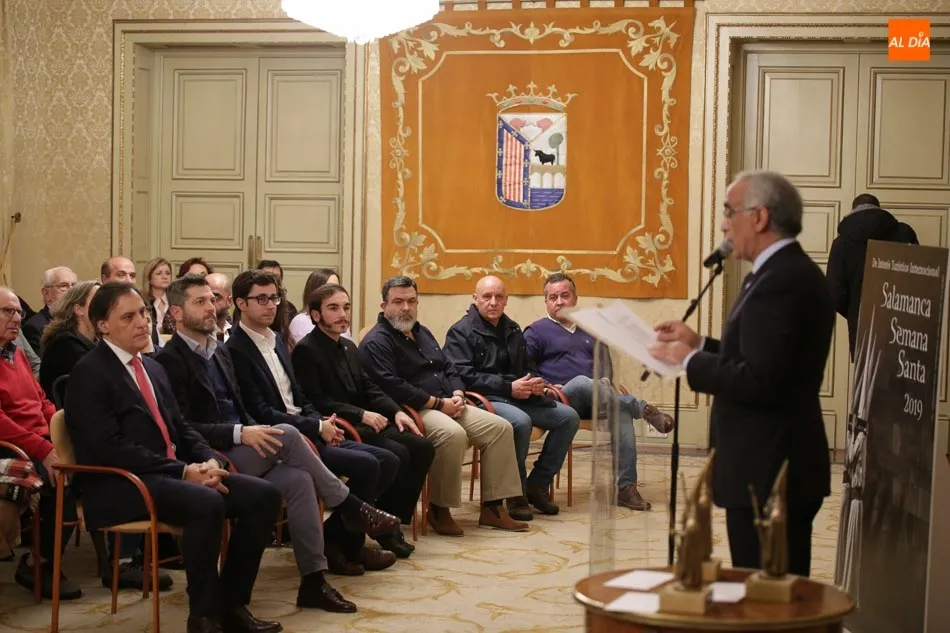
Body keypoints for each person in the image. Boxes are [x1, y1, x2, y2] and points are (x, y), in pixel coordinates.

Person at [157, 274, 399, 610]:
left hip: (246, 443)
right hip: (214, 455)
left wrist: (254, 431)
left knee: (300, 480)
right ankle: (349, 506)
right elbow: (184, 426)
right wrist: (242, 433)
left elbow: (244, 408)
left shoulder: (218, 352)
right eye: (200, 302)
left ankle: (313, 582)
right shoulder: (170, 360)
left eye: (212, 300)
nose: (211, 307)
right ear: (176, 313)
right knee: (289, 433)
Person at [65, 282, 283, 633]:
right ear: (102, 325)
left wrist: (209, 460)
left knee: (264, 496)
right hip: (120, 484)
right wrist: (183, 471)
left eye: (143, 313)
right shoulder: (88, 373)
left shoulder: (151, 368)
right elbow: (111, 447)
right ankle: (203, 616)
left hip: (168, 474)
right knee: (206, 502)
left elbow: (180, 427)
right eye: (128, 317)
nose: (141, 322)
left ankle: (231, 604)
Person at [649, 170, 833, 578]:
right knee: (764, 589)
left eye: (729, 212)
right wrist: (699, 344)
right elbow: (764, 358)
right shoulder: (777, 273)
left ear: (760, 217)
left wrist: (689, 361)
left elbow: (761, 380)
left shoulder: (783, 280)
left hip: (771, 470)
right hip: (767, 466)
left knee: (769, 595)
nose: (723, 225)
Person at [226, 270, 400, 572]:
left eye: (274, 298)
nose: (271, 305)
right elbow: (262, 411)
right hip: (281, 440)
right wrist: (316, 426)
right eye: (262, 299)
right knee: (368, 464)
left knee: (388, 459)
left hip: (307, 427)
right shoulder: (235, 350)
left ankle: (335, 538)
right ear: (241, 303)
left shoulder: (277, 340)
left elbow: (300, 397)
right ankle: (351, 545)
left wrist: (320, 421)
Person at [361, 276, 530, 534]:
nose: (406, 308)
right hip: (412, 409)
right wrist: (439, 404)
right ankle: (439, 510)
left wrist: (458, 393)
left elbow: (449, 367)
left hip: (448, 400)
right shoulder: (377, 341)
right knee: (452, 435)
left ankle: (493, 508)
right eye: (398, 302)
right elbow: (393, 386)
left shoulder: (422, 332)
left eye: (411, 301)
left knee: (500, 428)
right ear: (384, 306)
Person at [292, 283, 434, 557]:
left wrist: (396, 411)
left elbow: (369, 387)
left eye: (346, 307)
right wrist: (361, 414)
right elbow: (317, 400)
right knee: (398, 453)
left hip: (364, 422)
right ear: (316, 315)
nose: (343, 314)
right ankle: (380, 527)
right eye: (333, 308)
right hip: (339, 425)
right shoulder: (306, 350)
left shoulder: (347, 345)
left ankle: (388, 520)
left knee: (422, 446)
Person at [523, 272, 673, 511]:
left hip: (595, 398)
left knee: (620, 413)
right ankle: (642, 409)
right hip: (559, 399)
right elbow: (526, 371)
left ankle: (626, 488)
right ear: (546, 302)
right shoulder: (535, 332)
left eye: (565, 296)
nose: (559, 301)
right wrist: (548, 386)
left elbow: (605, 370)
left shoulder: (592, 331)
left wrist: (604, 381)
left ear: (575, 298)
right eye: (553, 297)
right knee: (582, 382)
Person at [444, 275, 579, 517]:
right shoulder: (460, 332)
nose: (493, 302)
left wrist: (535, 383)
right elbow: (462, 376)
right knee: (520, 422)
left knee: (568, 417)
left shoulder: (513, 328)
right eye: (487, 297)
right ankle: (516, 494)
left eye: (499, 297)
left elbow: (527, 367)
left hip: (517, 396)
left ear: (506, 300)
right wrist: (509, 387)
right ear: (475, 299)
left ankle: (537, 484)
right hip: (483, 399)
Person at [0, 287, 82, 600]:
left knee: (84, 467)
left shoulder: (16, 353)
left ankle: (44, 561)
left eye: (18, 312)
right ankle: (39, 564)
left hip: (36, 439)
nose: (16, 318)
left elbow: (41, 400)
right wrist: (44, 449)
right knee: (60, 480)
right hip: (10, 444)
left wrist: (58, 431)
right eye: (7, 311)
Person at [826, 193, 919, 359]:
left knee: (867, 373)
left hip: (863, 328)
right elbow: (919, 280)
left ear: (853, 210)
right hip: (903, 327)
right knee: (903, 370)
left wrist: (855, 311)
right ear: (878, 209)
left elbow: (835, 294)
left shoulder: (841, 243)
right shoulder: (905, 233)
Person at [39, 281, 100, 398]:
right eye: (98, 301)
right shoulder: (64, 345)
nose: (105, 308)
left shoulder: (94, 342)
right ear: (78, 309)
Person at [22, 266, 78, 355]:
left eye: (74, 286)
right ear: (46, 293)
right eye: (63, 286)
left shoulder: (81, 321)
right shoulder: (35, 327)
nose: (72, 290)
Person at [289, 268, 350, 344]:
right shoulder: (301, 321)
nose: (335, 292)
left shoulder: (340, 321)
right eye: (329, 288)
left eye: (337, 287)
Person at [142, 257, 175, 347]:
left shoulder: (176, 301)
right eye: (159, 273)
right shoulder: (142, 301)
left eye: (168, 273)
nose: (165, 277)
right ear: (149, 278)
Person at [206, 273, 233, 342]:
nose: (208, 304)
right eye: (202, 299)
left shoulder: (237, 333)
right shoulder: (194, 335)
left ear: (229, 301)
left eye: (215, 297)